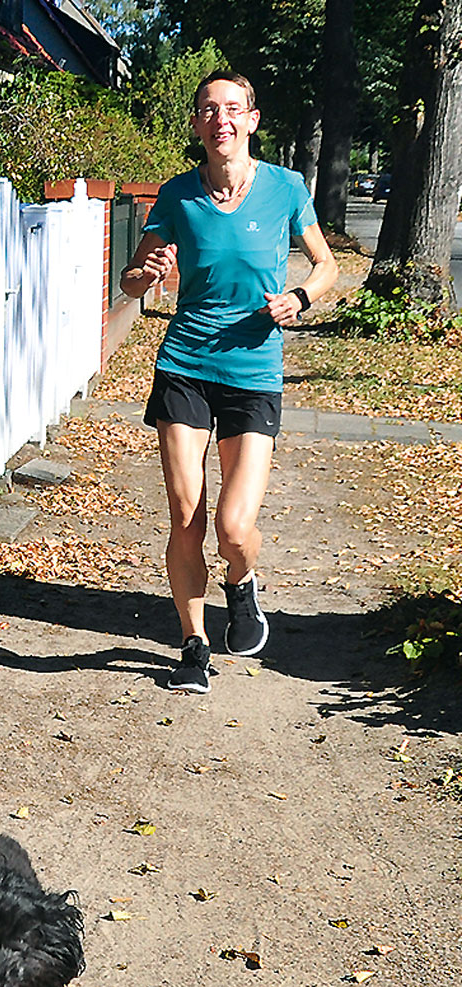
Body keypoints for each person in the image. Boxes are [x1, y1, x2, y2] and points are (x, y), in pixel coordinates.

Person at [120, 70, 338, 693]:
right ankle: (193, 646)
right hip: (185, 364)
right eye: (210, 110)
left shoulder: (285, 188)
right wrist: (148, 272)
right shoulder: (178, 196)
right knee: (185, 514)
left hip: (254, 371)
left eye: (233, 109)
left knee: (234, 527)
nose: (222, 120)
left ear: (252, 119)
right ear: (197, 124)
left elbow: (326, 265)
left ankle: (241, 587)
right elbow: (132, 281)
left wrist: (300, 297)